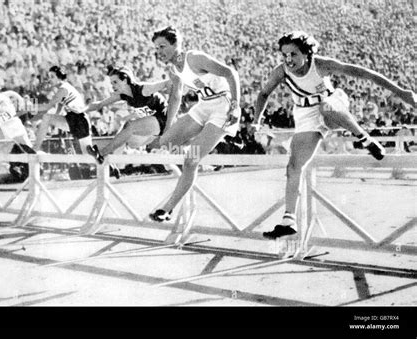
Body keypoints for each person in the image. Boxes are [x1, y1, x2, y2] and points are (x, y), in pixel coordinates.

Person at [253, 31, 416, 239]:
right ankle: (288, 220)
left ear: (307, 53)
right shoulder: (281, 71)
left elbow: (367, 74)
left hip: (334, 105)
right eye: (284, 55)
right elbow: (264, 93)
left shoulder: (322, 64)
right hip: (304, 114)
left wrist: (402, 93)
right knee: (294, 166)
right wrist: (256, 121)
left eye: (294, 54)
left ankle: (365, 138)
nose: (288, 60)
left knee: (325, 107)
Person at [148, 26, 241, 222]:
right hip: (204, 105)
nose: (159, 52)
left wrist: (235, 106)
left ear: (176, 44)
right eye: (156, 48)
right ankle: (202, 152)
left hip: (223, 106)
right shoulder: (174, 68)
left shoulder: (194, 58)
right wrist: (167, 131)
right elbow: (175, 98)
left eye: (162, 46)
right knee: (165, 143)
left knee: (191, 160)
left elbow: (231, 73)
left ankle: (167, 209)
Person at [84, 65, 172, 160]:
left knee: (130, 126)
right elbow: (99, 104)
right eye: (111, 83)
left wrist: (172, 92)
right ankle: (111, 164)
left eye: (115, 82)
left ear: (125, 80)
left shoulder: (144, 89)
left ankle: (102, 153)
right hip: (151, 129)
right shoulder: (123, 95)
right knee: (123, 134)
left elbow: (168, 82)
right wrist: (81, 109)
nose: (112, 86)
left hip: (164, 121)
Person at [32, 66, 103, 163]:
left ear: (59, 77)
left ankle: (35, 148)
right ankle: (109, 165)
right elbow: (60, 106)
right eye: (49, 77)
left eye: (52, 77)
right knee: (89, 156)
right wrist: (54, 121)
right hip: (80, 120)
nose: (49, 80)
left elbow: (47, 107)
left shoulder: (62, 90)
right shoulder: (66, 87)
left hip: (77, 119)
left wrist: (28, 107)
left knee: (47, 117)